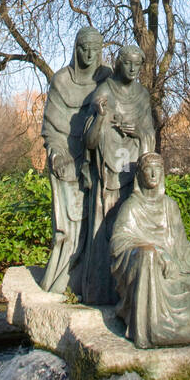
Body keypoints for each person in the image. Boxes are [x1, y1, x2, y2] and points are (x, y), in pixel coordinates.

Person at [109, 152, 190, 348]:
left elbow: (182, 244)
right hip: (148, 276)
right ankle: (152, 331)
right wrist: (154, 252)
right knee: (147, 255)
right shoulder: (131, 207)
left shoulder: (170, 206)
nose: (153, 174)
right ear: (140, 175)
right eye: (148, 169)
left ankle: (176, 333)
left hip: (174, 275)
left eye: (158, 169)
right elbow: (118, 241)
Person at [80, 44, 155, 305]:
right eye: (128, 63)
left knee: (133, 233)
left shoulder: (143, 96)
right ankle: (104, 293)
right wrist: (100, 118)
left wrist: (138, 133)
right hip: (107, 177)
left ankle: (133, 294)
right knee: (105, 232)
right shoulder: (103, 92)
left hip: (132, 173)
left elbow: (150, 136)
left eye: (137, 64)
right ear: (119, 63)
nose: (133, 69)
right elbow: (89, 142)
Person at [39, 26, 109, 295]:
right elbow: (51, 131)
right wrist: (57, 154)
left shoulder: (107, 79)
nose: (89, 54)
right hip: (68, 159)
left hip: (100, 162)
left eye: (95, 48)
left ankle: (96, 281)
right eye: (84, 47)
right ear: (75, 48)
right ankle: (63, 279)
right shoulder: (61, 81)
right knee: (69, 230)